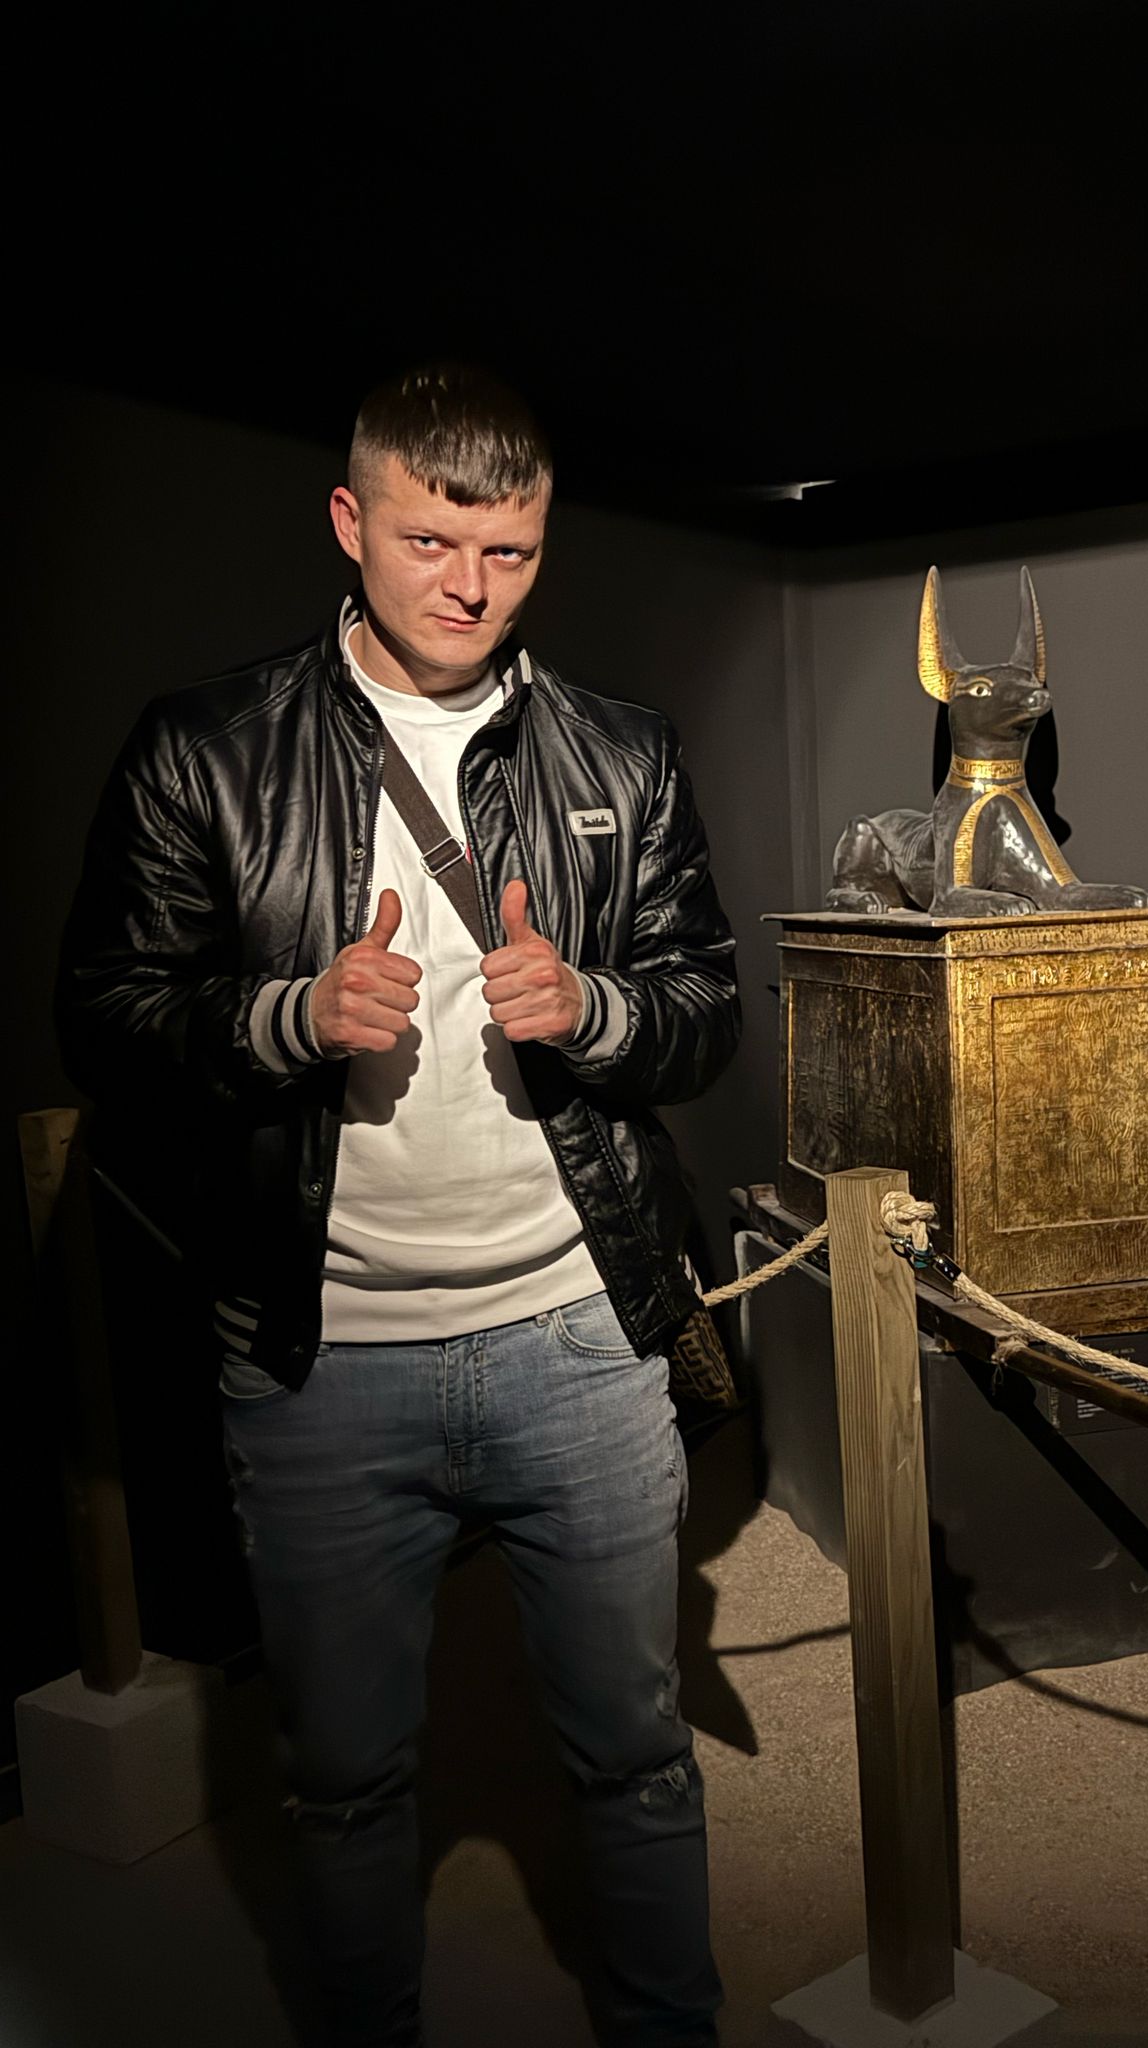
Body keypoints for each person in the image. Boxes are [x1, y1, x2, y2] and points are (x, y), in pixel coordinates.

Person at [55, 363, 741, 2048]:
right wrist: (285, 1018)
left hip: (579, 1338)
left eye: (510, 551)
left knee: (637, 1758)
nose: (472, 586)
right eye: (433, 540)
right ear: (350, 522)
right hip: (324, 1360)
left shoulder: (623, 749)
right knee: (348, 1781)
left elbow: (707, 1007)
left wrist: (596, 1008)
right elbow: (105, 1021)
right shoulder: (206, 748)